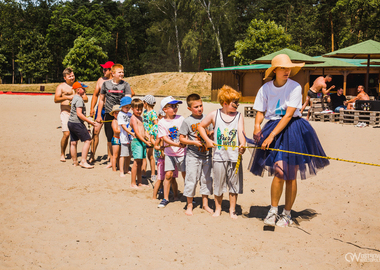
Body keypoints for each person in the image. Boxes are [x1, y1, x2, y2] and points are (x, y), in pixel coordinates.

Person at [248, 54, 329, 227]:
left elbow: (289, 114)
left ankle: (287, 214)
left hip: (292, 128)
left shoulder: (295, 87)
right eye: (283, 68)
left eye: (289, 68)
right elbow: (260, 110)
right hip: (273, 126)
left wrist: (271, 136)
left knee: (290, 175)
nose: (287, 71)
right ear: (275, 70)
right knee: (279, 172)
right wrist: (256, 125)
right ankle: (273, 210)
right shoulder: (265, 88)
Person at [198, 86, 246, 219]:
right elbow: (201, 126)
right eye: (234, 102)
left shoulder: (239, 116)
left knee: (233, 184)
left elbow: (241, 133)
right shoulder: (214, 114)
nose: (237, 105)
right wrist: (207, 140)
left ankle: (232, 210)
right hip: (219, 156)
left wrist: (243, 144)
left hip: (234, 156)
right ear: (225, 103)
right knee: (218, 184)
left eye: (237, 102)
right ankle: (218, 208)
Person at [179, 94, 213, 216]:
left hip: (207, 155)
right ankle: (189, 205)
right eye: (196, 107)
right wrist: (193, 142)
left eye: (201, 105)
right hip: (192, 155)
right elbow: (182, 139)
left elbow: (210, 134)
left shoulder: (207, 119)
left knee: (206, 180)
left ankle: (205, 204)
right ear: (189, 108)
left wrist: (211, 134)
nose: (199, 108)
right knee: (191, 180)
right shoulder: (187, 121)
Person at [96, 64, 135, 168]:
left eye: (122, 72)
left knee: (122, 137)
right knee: (110, 138)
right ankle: (112, 160)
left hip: (122, 115)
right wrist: (99, 115)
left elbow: (128, 99)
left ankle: (120, 160)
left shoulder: (125, 85)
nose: (122, 74)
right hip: (109, 113)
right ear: (112, 73)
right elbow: (101, 100)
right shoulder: (105, 84)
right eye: (119, 72)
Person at [157, 96, 186, 208]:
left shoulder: (181, 118)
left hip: (182, 153)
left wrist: (184, 142)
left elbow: (185, 132)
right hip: (169, 153)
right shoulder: (162, 122)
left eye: (176, 106)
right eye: (171, 106)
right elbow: (164, 138)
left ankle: (189, 197)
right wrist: (177, 144)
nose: (174, 108)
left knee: (185, 174)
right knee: (168, 175)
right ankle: (165, 198)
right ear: (164, 109)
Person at [54, 68, 88, 162]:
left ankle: (72, 154)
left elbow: (85, 99)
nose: (72, 77)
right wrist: (67, 97)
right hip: (66, 112)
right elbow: (56, 99)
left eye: (73, 75)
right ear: (65, 77)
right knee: (66, 133)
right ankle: (62, 153)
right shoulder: (61, 87)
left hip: (76, 113)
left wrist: (77, 98)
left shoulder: (78, 85)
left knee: (74, 135)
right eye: (70, 76)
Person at [89, 61, 114, 163]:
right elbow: (95, 95)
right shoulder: (100, 80)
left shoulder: (118, 81)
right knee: (95, 131)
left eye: (105, 69)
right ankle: (92, 155)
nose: (103, 71)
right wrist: (92, 108)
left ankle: (110, 155)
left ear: (111, 71)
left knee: (110, 134)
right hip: (101, 109)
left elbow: (131, 92)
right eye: (103, 69)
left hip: (111, 111)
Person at [67, 82, 96, 169]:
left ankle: (75, 162)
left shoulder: (74, 98)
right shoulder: (79, 99)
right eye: (83, 89)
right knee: (88, 140)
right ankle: (83, 161)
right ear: (78, 90)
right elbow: (79, 114)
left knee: (73, 142)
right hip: (77, 123)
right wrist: (90, 122)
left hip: (71, 122)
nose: (84, 90)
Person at [130, 98, 152, 188]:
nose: (139, 111)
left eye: (141, 109)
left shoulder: (140, 118)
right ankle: (133, 183)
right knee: (136, 162)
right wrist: (145, 141)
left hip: (142, 142)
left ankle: (139, 182)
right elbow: (137, 132)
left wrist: (148, 137)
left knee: (140, 163)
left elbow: (143, 130)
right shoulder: (133, 118)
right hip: (137, 142)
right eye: (137, 109)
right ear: (132, 108)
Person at [142, 95, 158, 181]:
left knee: (150, 155)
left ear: (146, 103)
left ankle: (153, 174)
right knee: (144, 154)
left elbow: (156, 124)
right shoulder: (145, 112)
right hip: (144, 136)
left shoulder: (153, 113)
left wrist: (150, 133)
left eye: (143, 102)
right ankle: (143, 172)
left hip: (150, 137)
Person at [118, 96, 134, 177]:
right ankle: (121, 171)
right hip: (124, 137)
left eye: (129, 107)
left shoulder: (130, 114)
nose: (128, 108)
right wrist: (130, 132)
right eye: (126, 107)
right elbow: (123, 126)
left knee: (129, 155)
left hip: (131, 138)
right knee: (123, 155)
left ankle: (126, 169)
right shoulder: (120, 114)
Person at [110, 105, 121, 172]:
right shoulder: (114, 121)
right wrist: (124, 130)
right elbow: (115, 130)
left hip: (120, 139)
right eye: (116, 113)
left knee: (119, 155)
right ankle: (114, 168)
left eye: (118, 113)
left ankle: (119, 167)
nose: (117, 114)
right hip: (116, 139)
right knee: (115, 155)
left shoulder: (120, 121)